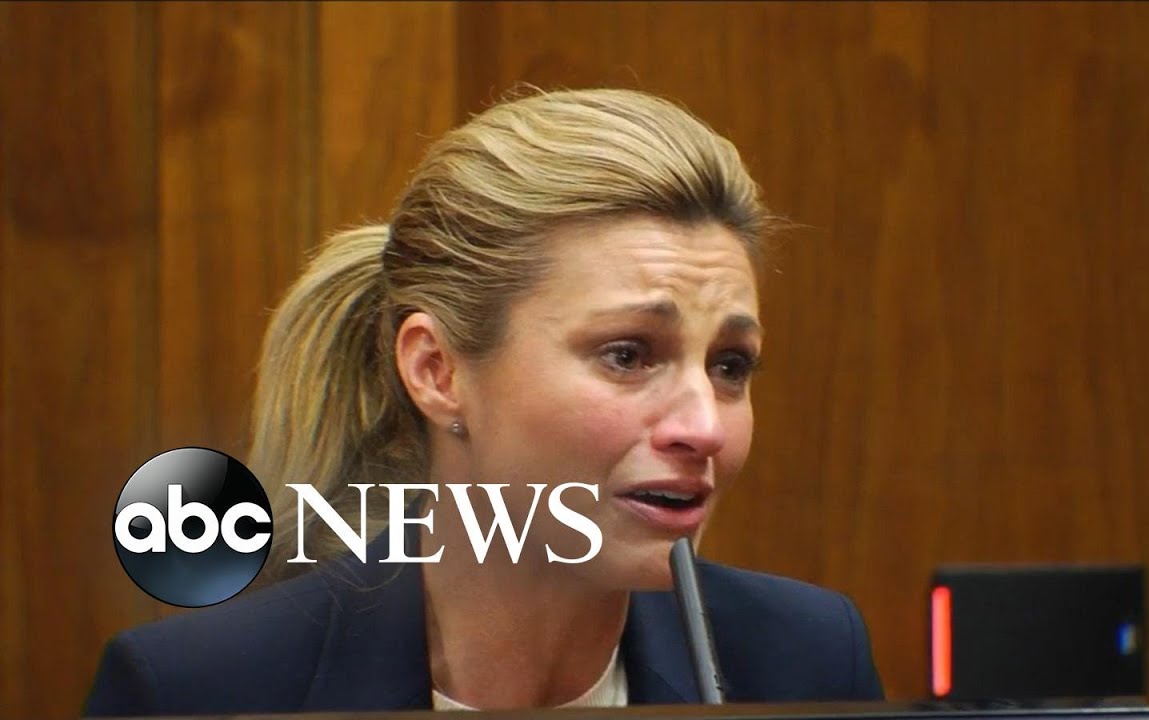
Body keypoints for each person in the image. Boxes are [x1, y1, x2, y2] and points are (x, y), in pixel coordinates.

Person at [84, 87, 882, 716]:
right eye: (628, 355)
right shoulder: (198, 691)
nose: (704, 426)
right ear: (437, 372)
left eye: (731, 366)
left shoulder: (806, 661)